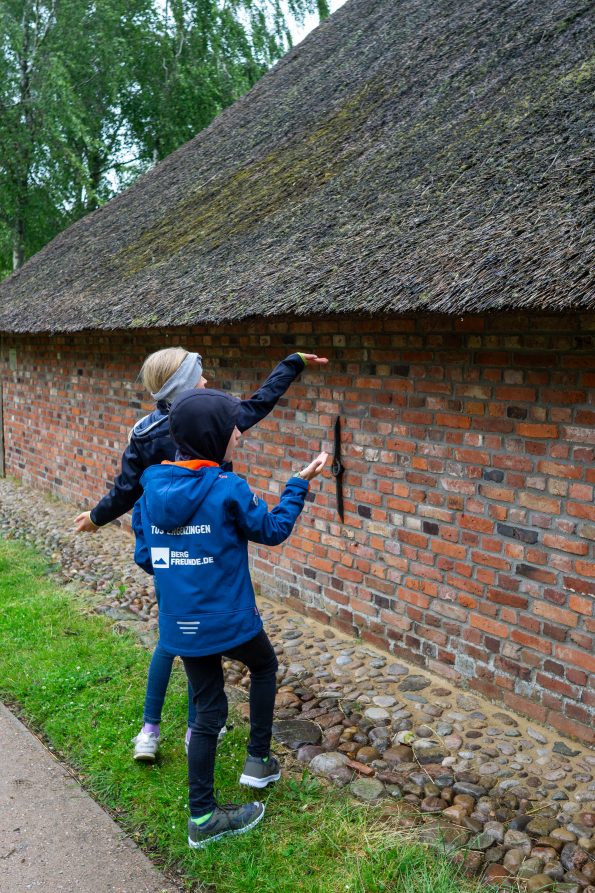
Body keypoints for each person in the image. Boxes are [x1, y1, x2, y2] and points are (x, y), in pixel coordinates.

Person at [74, 347, 328, 760]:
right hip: (209, 547)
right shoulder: (216, 421)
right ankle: (201, 731)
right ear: (184, 385)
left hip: (168, 554)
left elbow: (126, 490)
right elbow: (260, 403)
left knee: (174, 637)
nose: (208, 382)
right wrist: (291, 365)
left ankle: (151, 730)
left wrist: (99, 518)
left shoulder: (143, 431)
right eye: (201, 376)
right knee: (206, 638)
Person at [132, 388, 327, 847]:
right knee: (263, 666)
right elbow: (273, 530)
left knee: (208, 711)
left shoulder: (150, 490)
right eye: (233, 427)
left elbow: (147, 556)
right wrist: (298, 484)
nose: (239, 433)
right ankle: (256, 763)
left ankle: (203, 815)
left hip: (183, 623)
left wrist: (183, 568)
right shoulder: (227, 487)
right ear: (216, 435)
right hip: (231, 620)